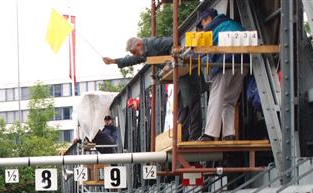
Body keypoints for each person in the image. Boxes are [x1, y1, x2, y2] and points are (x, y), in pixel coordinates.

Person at [104, 36, 203, 140]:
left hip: (188, 72)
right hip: (181, 75)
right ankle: (184, 138)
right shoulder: (143, 52)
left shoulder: (153, 43)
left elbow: (173, 42)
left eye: (134, 52)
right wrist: (114, 61)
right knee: (182, 107)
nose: (134, 55)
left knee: (192, 104)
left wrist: (172, 57)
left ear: (139, 45)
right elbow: (131, 60)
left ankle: (194, 137)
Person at [197, 9, 245, 142]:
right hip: (243, 63)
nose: (203, 27)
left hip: (225, 63)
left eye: (202, 24)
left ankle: (210, 134)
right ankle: (229, 134)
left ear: (208, 19)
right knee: (229, 101)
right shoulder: (234, 23)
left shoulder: (211, 28)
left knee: (216, 97)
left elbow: (198, 50)